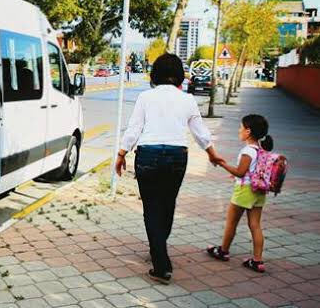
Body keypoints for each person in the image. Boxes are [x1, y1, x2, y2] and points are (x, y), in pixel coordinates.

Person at [115, 53, 224, 284]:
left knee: (151, 208)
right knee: (167, 204)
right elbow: (200, 131)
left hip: (149, 155)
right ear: (179, 76)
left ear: (155, 74)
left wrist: (122, 153)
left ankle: (161, 263)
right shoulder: (187, 99)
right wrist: (212, 154)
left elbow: (134, 128)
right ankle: (159, 249)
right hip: (177, 156)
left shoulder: (146, 97)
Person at [207, 114, 273, 273]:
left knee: (232, 222)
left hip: (245, 191)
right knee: (255, 225)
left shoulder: (248, 151)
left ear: (248, 131)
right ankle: (257, 261)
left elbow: (240, 172)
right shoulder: (261, 149)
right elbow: (252, 170)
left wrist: (221, 163)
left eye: (241, 128)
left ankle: (223, 251)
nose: (239, 130)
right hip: (259, 191)